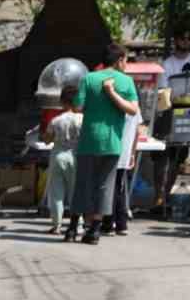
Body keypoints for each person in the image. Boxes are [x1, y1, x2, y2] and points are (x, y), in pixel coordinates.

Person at [67, 43, 140, 245]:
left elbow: (77, 107)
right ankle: (94, 231)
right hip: (112, 142)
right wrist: (112, 94)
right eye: (125, 60)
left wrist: (96, 102)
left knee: (82, 183)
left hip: (88, 139)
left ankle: (72, 228)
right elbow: (133, 110)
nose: (126, 64)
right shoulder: (126, 82)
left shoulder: (88, 78)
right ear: (119, 60)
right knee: (104, 186)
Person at [44, 84, 82, 235]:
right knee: (75, 192)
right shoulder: (82, 119)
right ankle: (77, 224)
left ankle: (56, 224)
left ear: (62, 102)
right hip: (76, 156)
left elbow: (47, 139)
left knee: (56, 192)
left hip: (58, 155)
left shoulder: (56, 120)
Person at [102, 108, 141, 237]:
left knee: (109, 188)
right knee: (119, 188)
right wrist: (132, 153)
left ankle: (109, 224)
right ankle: (121, 224)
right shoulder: (134, 105)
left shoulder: (112, 103)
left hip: (111, 149)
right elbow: (137, 132)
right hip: (124, 151)